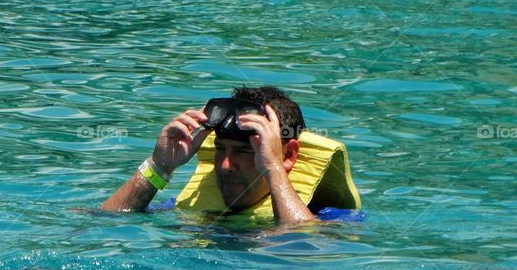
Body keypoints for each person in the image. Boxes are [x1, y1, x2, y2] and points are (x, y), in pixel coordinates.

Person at [101, 85, 362, 224]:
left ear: (289, 155)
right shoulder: (187, 208)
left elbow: (302, 251)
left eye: (245, 152)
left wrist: (273, 169)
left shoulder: (332, 219)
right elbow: (106, 224)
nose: (226, 165)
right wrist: (160, 166)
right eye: (220, 149)